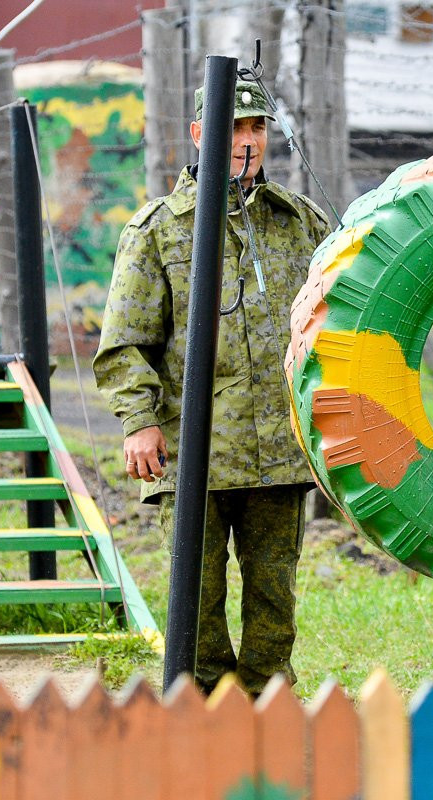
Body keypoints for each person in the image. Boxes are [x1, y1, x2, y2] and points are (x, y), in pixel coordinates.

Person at [93, 79, 331, 695]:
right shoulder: (158, 230)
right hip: (193, 450)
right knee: (194, 596)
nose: (247, 141)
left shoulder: (300, 223)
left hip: (280, 449)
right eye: (234, 127)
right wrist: (138, 421)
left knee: (274, 595)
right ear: (202, 135)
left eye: (256, 128)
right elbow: (125, 343)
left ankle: (266, 702)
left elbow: (338, 322)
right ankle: (205, 706)